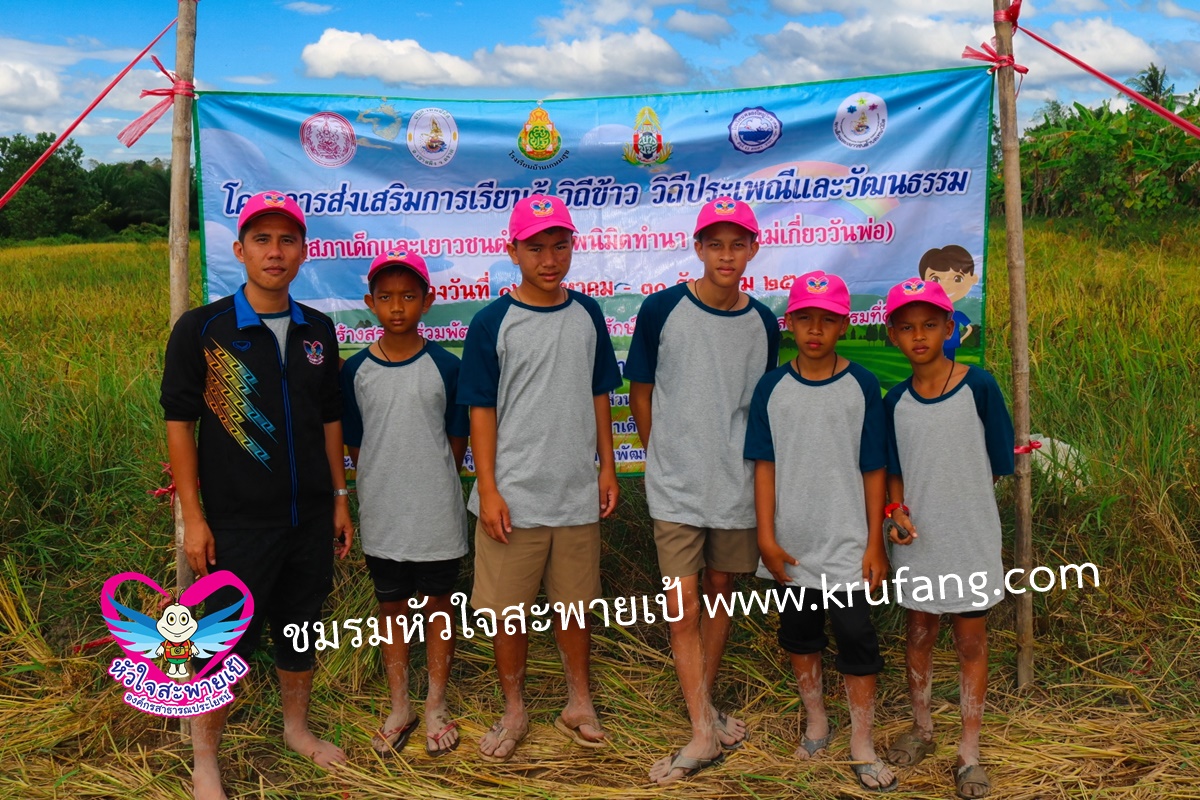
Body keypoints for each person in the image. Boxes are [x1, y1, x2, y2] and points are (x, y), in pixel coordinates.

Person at [160, 191, 354, 800]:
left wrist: (340, 498)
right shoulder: (205, 330)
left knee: (301, 629)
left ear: (304, 252)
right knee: (221, 642)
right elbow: (179, 424)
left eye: (287, 240)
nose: (275, 252)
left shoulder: (317, 330)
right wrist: (194, 518)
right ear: (239, 250)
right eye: (262, 240)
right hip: (236, 525)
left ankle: (297, 729)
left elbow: (329, 419)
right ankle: (205, 760)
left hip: (309, 518)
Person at [457, 194, 622, 762]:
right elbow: (481, 409)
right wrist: (490, 488)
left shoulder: (588, 314)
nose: (549, 260)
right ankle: (514, 709)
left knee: (575, 607)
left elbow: (600, 393)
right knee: (509, 612)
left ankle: (579, 702)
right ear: (513, 252)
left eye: (560, 246)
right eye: (535, 248)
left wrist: (607, 466)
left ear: (573, 247)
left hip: (575, 492)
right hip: (514, 498)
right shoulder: (492, 322)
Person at [625, 196, 780, 785]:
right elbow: (641, 390)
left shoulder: (763, 322)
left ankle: (706, 711)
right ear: (698, 248)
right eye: (715, 244)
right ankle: (700, 733)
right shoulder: (662, 309)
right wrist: (661, 453)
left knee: (718, 593)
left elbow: (761, 407)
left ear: (753, 250)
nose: (726, 255)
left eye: (737, 244)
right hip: (676, 488)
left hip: (735, 487)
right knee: (681, 604)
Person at [744, 270, 896, 792]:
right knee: (799, 632)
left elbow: (874, 467)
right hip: (792, 543)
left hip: (849, 541)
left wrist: (875, 541)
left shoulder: (861, 385)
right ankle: (817, 722)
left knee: (855, 634)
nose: (815, 329)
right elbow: (764, 466)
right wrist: (766, 538)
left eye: (827, 320)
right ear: (789, 323)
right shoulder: (772, 387)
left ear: (844, 325)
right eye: (804, 318)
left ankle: (861, 740)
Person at [881, 277, 1014, 800]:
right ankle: (922, 728)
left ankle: (969, 750)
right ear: (892, 335)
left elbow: (997, 462)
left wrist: (963, 506)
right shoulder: (895, 401)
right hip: (918, 541)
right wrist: (896, 511)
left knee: (970, 640)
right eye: (907, 327)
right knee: (919, 632)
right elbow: (893, 471)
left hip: (970, 536)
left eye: (930, 325)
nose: (919, 336)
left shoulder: (979, 386)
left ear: (949, 328)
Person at [341, 250, 469, 758]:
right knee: (391, 606)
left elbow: (455, 444)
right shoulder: (355, 371)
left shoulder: (447, 367)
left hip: (437, 512)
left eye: (409, 297)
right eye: (386, 297)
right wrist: (380, 483)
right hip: (383, 514)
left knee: (439, 606)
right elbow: (357, 446)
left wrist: (429, 480)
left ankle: (435, 703)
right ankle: (400, 706)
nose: (397, 307)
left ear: (428, 301)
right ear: (370, 302)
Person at [917, 245, 979, 360]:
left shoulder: (958, 314)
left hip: (951, 344)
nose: (946, 287)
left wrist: (961, 339)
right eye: (935, 279)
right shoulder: (929, 314)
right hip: (936, 345)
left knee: (949, 364)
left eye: (957, 279)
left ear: (973, 279)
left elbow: (969, 328)